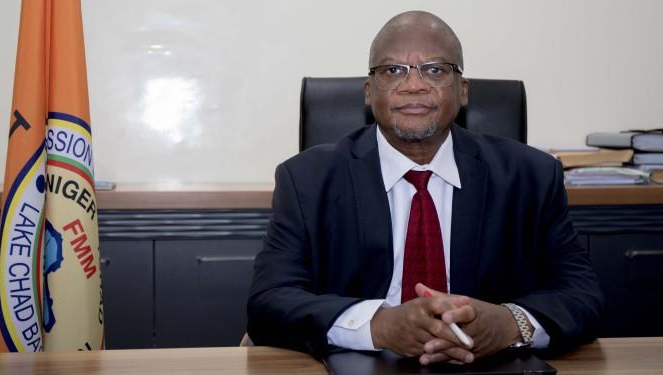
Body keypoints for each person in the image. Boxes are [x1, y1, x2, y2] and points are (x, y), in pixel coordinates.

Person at [247, 10, 603, 365]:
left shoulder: (531, 177)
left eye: (434, 69)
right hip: (356, 363)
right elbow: (269, 301)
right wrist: (378, 325)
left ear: (463, 91)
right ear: (369, 93)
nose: (414, 85)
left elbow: (583, 295)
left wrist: (510, 324)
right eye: (392, 70)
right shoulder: (307, 180)